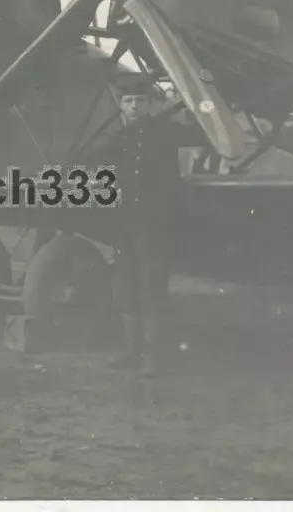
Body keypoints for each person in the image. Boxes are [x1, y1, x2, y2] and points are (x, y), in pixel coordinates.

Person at [84, 75, 206, 377]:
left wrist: (200, 100)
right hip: (124, 223)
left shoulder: (166, 132)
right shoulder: (119, 138)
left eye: (140, 101)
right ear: (122, 106)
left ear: (150, 105)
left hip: (155, 223)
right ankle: (131, 350)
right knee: (126, 285)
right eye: (128, 101)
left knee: (152, 287)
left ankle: (154, 357)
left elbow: (204, 134)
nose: (134, 106)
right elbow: (90, 160)